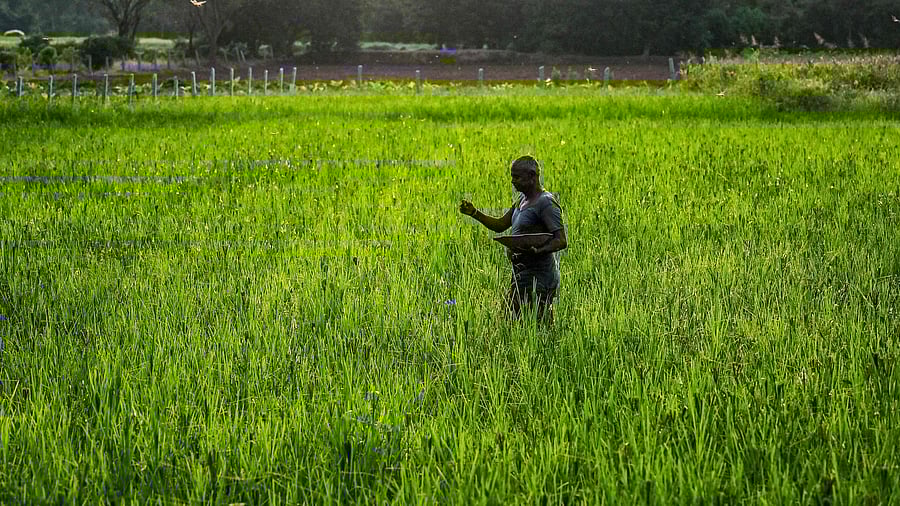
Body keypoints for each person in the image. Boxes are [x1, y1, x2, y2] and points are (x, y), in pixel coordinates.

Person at [459, 155, 568, 324]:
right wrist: (474, 213)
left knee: (537, 324)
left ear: (532, 176)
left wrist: (538, 250)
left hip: (539, 276)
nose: (512, 181)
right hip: (521, 274)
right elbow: (501, 224)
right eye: (512, 176)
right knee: (513, 321)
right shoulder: (522, 200)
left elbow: (560, 240)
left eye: (517, 177)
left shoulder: (545, 203)